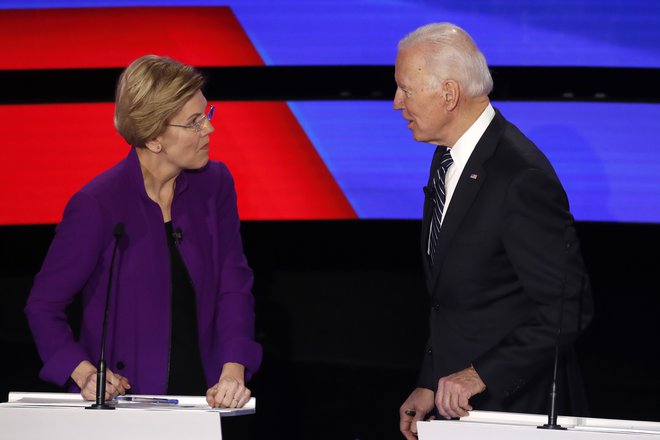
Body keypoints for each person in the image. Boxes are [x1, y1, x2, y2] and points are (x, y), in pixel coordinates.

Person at [25, 55, 261, 408]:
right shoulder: (97, 204)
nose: (209, 130)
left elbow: (233, 287)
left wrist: (233, 370)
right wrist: (85, 373)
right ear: (154, 139)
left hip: (206, 401)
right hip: (125, 405)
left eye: (207, 115)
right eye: (194, 122)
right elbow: (43, 306)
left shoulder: (215, 184)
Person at [393, 23, 593, 438]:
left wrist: (480, 375)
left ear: (449, 94)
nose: (397, 103)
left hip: (514, 414)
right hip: (457, 413)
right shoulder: (447, 158)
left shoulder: (520, 176)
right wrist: (431, 380)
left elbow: (567, 307)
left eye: (405, 90)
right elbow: (452, 300)